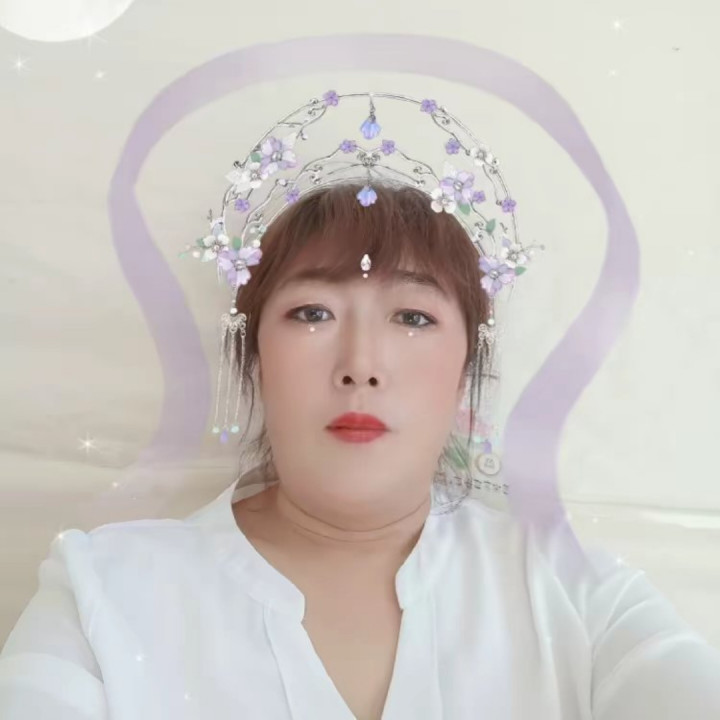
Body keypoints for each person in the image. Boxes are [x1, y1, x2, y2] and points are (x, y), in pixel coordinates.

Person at [2, 182, 720, 719]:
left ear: (466, 370)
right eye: (312, 313)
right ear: (254, 359)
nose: (361, 365)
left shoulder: (578, 595)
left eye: (413, 317)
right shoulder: (102, 592)